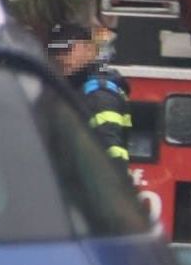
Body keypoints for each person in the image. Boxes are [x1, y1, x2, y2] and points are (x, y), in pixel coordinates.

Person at [47, 17, 132, 167]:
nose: (60, 57)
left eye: (67, 49)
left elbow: (112, 153)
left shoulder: (98, 93)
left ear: (90, 50)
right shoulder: (75, 88)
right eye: (54, 51)